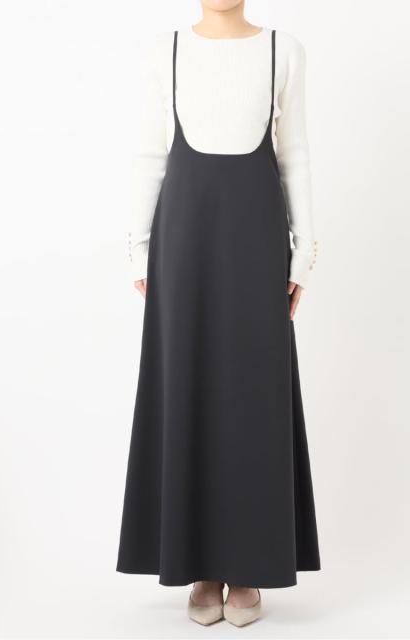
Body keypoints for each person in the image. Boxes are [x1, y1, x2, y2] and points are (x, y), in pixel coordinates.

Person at [117, 0, 320, 626]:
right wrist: (138, 247)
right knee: (189, 388)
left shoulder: (283, 50)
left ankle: (248, 564)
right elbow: (151, 153)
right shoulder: (167, 50)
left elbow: (294, 153)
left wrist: (304, 252)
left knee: (253, 393)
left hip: (257, 239)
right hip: (184, 239)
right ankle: (199, 565)